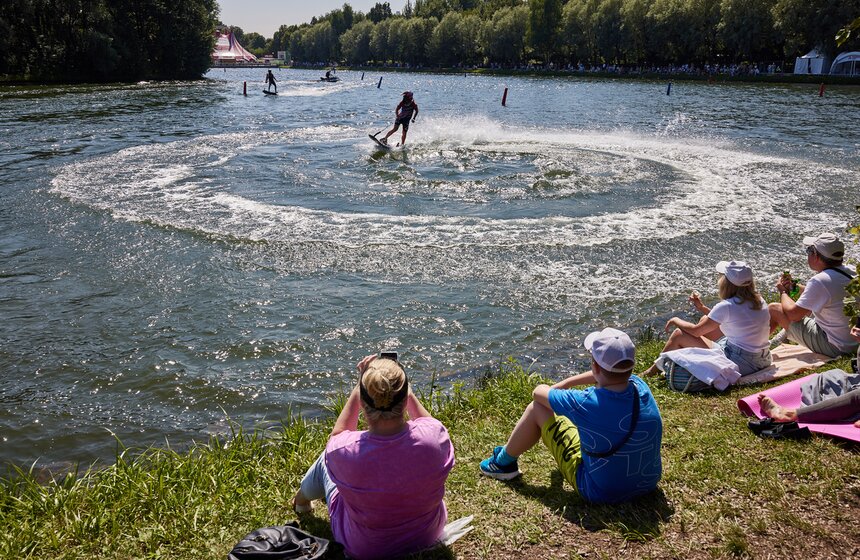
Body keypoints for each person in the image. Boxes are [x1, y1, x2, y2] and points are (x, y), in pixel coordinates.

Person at [292, 354, 454, 560]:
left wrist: (359, 385)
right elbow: (428, 422)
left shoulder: (342, 450)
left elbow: (337, 435)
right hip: (427, 535)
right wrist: (405, 388)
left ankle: (301, 502)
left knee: (326, 459)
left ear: (362, 402)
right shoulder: (435, 437)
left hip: (365, 549)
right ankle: (302, 501)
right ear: (405, 399)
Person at [479, 328, 663, 504]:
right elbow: (611, 376)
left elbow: (538, 393)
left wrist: (560, 387)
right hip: (647, 483)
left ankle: (502, 464)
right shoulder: (640, 386)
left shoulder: (584, 402)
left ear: (595, 366)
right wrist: (568, 383)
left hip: (599, 491)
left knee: (537, 408)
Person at [643, 260, 772, 377]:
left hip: (741, 364)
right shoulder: (759, 300)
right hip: (763, 359)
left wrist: (675, 320)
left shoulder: (727, 306)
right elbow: (730, 319)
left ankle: (651, 372)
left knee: (678, 334)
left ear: (726, 283)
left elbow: (696, 331)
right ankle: (680, 361)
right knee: (705, 319)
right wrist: (702, 307)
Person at [768, 233, 858, 358]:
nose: (808, 254)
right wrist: (795, 287)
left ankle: (754, 351)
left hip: (836, 347)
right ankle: (780, 338)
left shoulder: (820, 281)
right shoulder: (852, 271)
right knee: (809, 308)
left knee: (774, 309)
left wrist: (783, 292)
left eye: (809, 250)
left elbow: (793, 315)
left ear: (816, 255)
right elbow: (825, 294)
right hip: (854, 341)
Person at [758, 325, 860, 427]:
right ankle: (829, 408)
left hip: (836, 345)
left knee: (786, 319)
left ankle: (791, 415)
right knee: (830, 378)